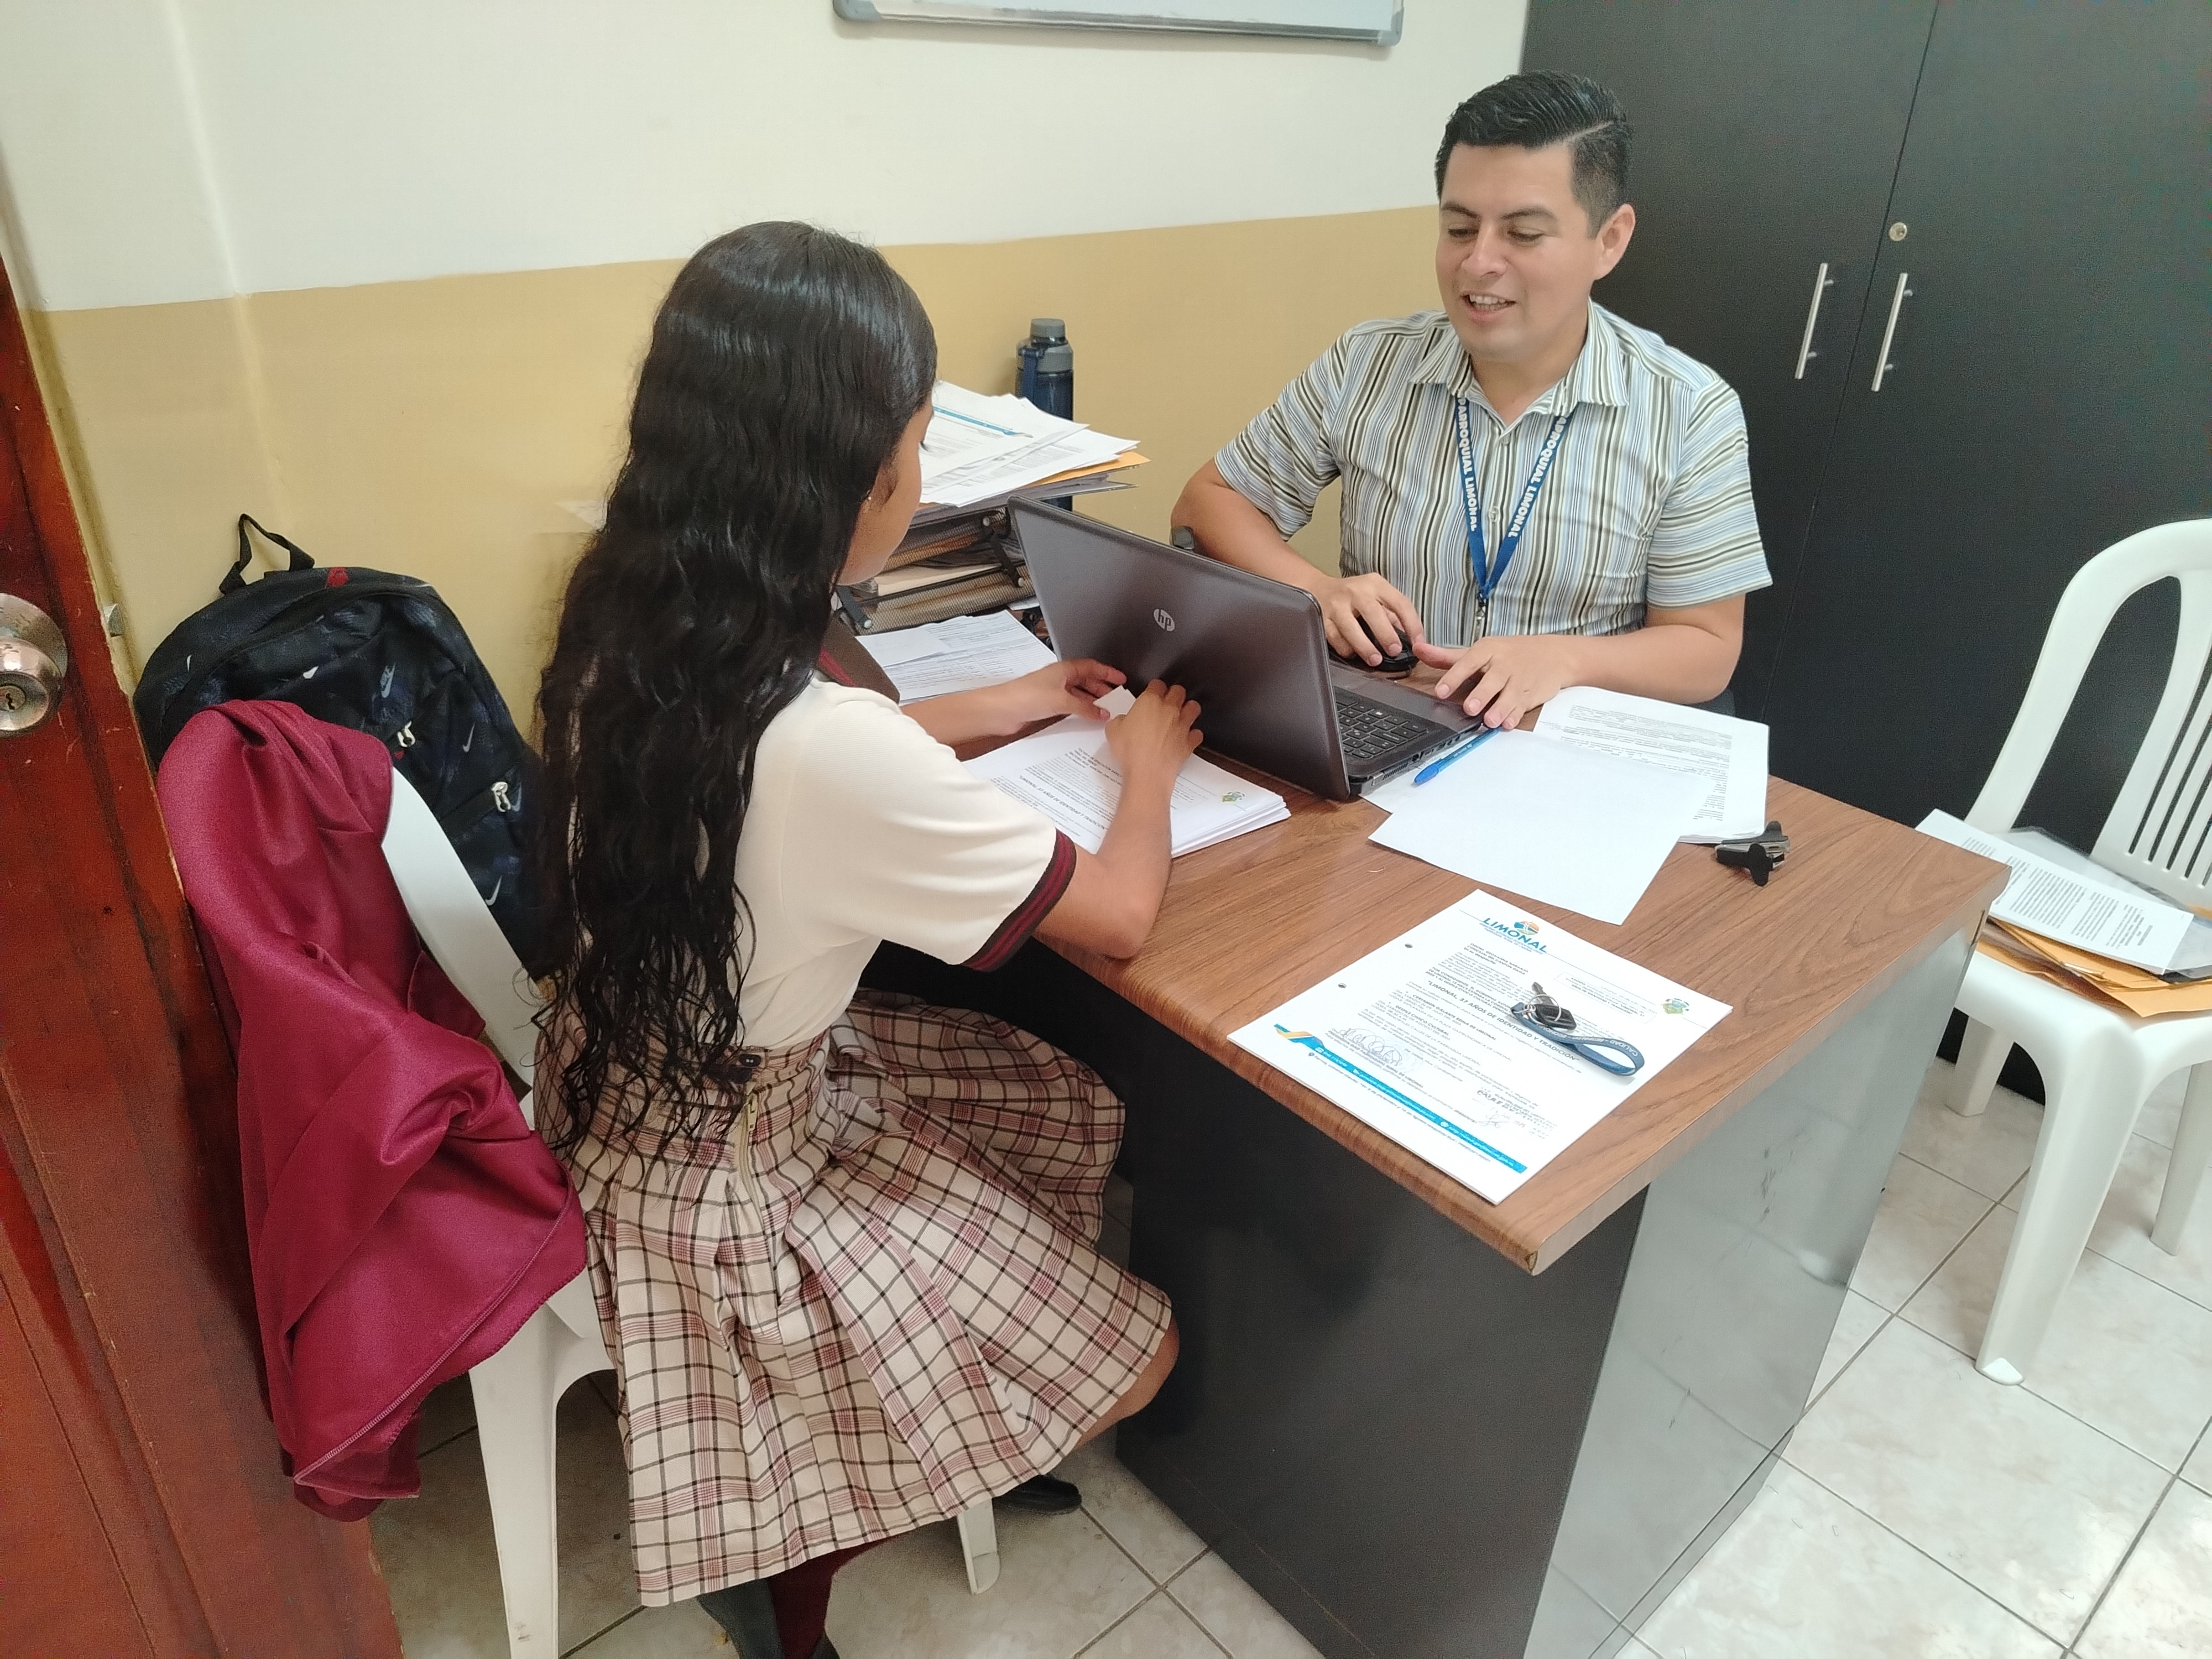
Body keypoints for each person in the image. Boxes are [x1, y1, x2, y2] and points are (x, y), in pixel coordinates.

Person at [530, 222, 1188, 1659]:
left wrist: (993, 707)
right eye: (920, 444)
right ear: (855, 481)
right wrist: (1147, 770)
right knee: (1139, 1356)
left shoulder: (630, 607)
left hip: (617, 1086)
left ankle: (922, 1429)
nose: (924, 476)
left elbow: (772, 757)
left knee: (1049, 1105)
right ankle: (806, 1554)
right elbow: (1121, 915)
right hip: (732, 1192)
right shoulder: (834, 749)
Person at [1172, 71, 1771, 732]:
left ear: (1609, 240)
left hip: (1553, 742)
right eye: (1459, 228)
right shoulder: (1368, 363)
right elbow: (1209, 501)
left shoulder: (1688, 410)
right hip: (1381, 722)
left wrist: (1564, 659)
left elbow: (1707, 648)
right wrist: (1316, 592)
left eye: (1523, 234)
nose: (1479, 262)